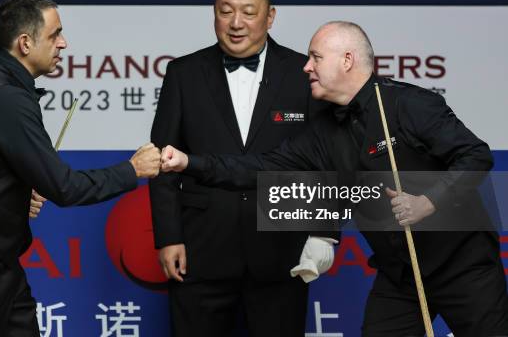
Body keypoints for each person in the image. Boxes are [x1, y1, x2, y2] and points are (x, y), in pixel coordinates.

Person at [161, 21, 508, 337]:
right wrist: (189, 162)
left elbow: (476, 156)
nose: (306, 66)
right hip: (400, 275)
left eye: (315, 57)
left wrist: (428, 201)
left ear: (346, 60)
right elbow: (260, 168)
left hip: (464, 266)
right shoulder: (323, 133)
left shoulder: (409, 104)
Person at [0, 0, 161, 337]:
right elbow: (64, 187)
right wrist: (132, 169)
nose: (64, 43)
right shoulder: (6, 96)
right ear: (25, 43)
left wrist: (11, 190)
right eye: (55, 34)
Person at [149, 0, 337, 337]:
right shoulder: (183, 73)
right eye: (226, 11)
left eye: (249, 12)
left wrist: (323, 234)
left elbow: (325, 162)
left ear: (270, 17)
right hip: (200, 251)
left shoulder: (304, 75)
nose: (236, 23)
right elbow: (163, 161)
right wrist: (168, 237)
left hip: (282, 250)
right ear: (214, 15)